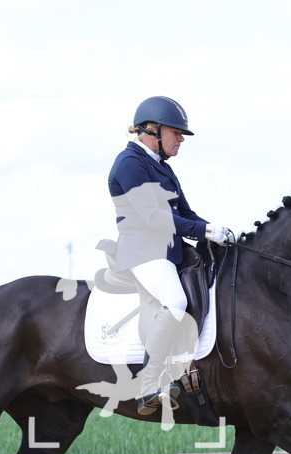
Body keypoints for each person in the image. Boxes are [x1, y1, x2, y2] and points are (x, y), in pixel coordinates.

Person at [99, 96, 233, 416]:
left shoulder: (162, 168)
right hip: (144, 251)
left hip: (169, 251)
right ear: (152, 131)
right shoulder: (130, 163)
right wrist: (205, 232)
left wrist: (214, 230)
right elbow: (153, 218)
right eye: (177, 132)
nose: (182, 139)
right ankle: (148, 384)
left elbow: (185, 213)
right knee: (175, 301)